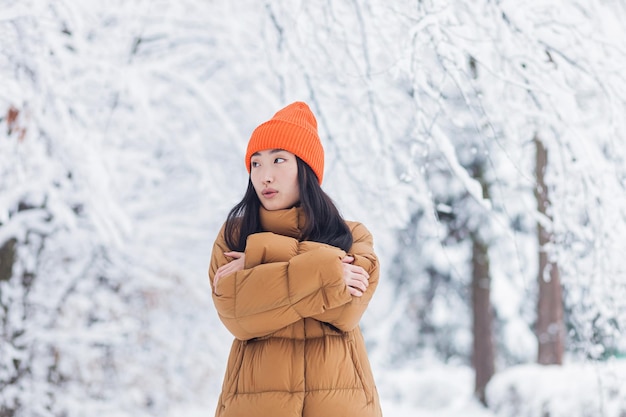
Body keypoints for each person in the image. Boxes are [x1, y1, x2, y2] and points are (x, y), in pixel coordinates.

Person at [208, 101, 382, 417]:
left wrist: (262, 258)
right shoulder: (234, 235)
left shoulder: (353, 235)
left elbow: (346, 311)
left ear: (306, 168)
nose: (265, 176)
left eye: (278, 160)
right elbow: (237, 313)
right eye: (256, 164)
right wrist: (328, 270)